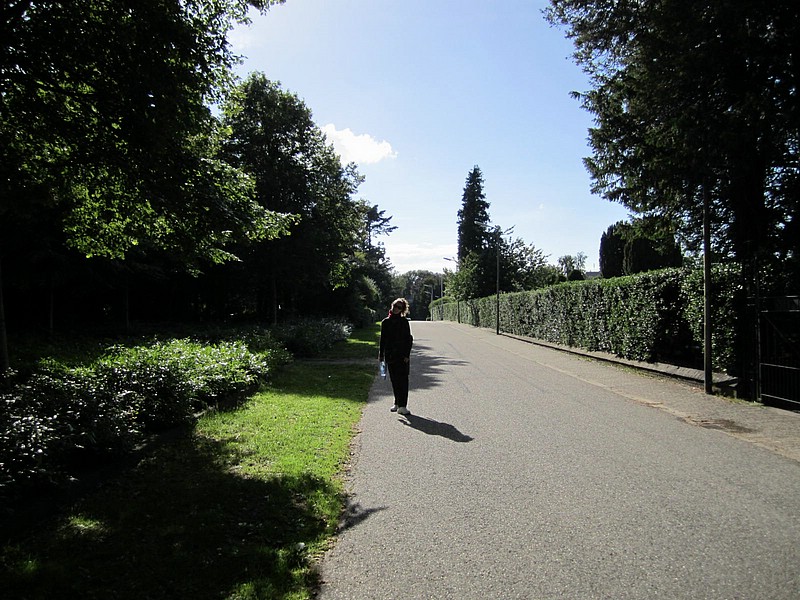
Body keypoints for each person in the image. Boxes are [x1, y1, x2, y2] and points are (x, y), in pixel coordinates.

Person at [378, 297, 413, 415]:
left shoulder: (404, 322)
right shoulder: (385, 322)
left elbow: (409, 339)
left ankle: (403, 405)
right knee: (394, 380)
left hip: (402, 356)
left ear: (402, 310)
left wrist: (407, 355)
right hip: (390, 355)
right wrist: (381, 355)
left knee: (403, 380)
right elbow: (382, 340)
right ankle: (397, 402)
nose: (395, 308)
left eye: (399, 307)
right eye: (394, 305)